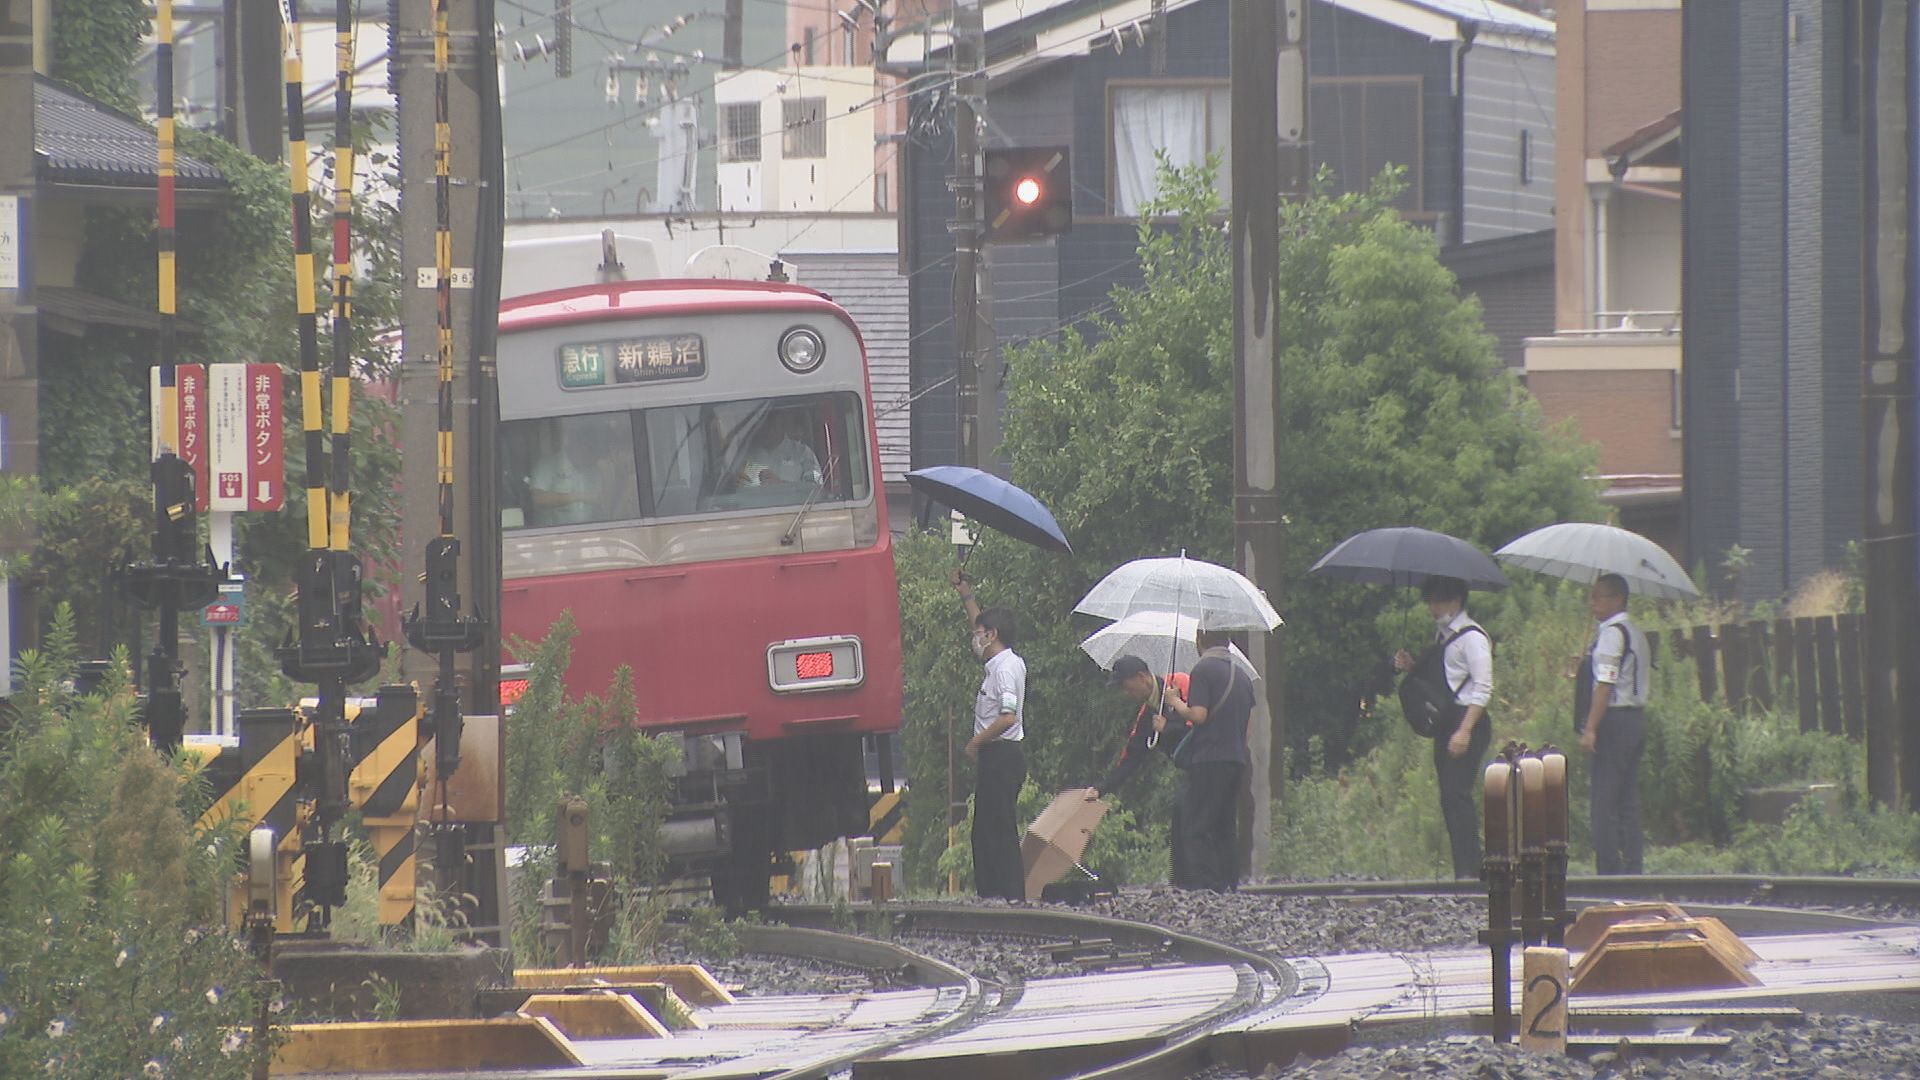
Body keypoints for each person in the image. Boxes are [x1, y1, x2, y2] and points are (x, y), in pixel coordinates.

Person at [1393, 575, 1493, 880]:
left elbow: (1484, 687)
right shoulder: (1443, 636)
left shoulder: (1472, 637)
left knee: (1457, 793)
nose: (1433, 608)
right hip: (1447, 722)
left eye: (1439, 601)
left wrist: (1464, 730)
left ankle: (1472, 868)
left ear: (1456, 601)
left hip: (1468, 721)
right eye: (1431, 601)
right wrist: (1410, 665)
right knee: (1449, 796)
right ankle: (1465, 864)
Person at [953, 569, 1028, 901]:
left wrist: (975, 742)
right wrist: (964, 592)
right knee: (984, 831)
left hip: (1002, 754)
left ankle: (1009, 895)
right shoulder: (997, 664)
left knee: (998, 829)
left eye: (980, 633)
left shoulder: (1006, 668)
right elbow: (978, 621)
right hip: (994, 755)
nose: (975, 637)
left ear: (992, 634)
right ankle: (992, 893)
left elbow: (1008, 716)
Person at [1163, 630, 1254, 891]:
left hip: (1209, 759)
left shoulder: (1203, 670)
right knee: (1225, 826)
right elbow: (1247, 725)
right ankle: (1229, 884)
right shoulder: (1243, 676)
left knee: (1196, 826)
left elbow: (1198, 715)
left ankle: (1206, 886)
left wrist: (1175, 702)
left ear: (1199, 641)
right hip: (1236, 758)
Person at [1093, 655, 1193, 885]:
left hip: (1210, 760)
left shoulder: (1180, 685)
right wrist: (1100, 790)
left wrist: (1168, 728)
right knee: (1179, 820)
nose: (1126, 694)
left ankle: (1201, 884)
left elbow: (1198, 723)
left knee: (1191, 820)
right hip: (1189, 768)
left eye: (1127, 688)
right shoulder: (1147, 712)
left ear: (1142, 678)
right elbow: (1131, 757)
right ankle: (1181, 885)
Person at [1577, 572, 1650, 875]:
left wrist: (1591, 727)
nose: (1592, 603)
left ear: (1617, 599)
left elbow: (1605, 685)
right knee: (1627, 800)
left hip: (1614, 721)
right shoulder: (1634, 632)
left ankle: (1608, 869)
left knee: (1604, 803)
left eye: (1599, 596)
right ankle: (1633, 865)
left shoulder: (1611, 633)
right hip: (1635, 720)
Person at [528, 424, 612, 526]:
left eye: (593, 448)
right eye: (587, 446)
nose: (591, 453)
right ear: (574, 443)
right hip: (553, 534)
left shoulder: (594, 470)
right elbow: (538, 498)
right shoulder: (548, 465)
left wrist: (608, 472)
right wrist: (579, 497)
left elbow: (604, 504)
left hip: (590, 533)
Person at [737, 410, 822, 488]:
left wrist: (781, 485)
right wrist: (734, 485)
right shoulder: (743, 454)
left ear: (781, 423)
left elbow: (816, 487)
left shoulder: (803, 453)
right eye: (762, 423)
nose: (766, 428)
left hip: (796, 504)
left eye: (771, 422)